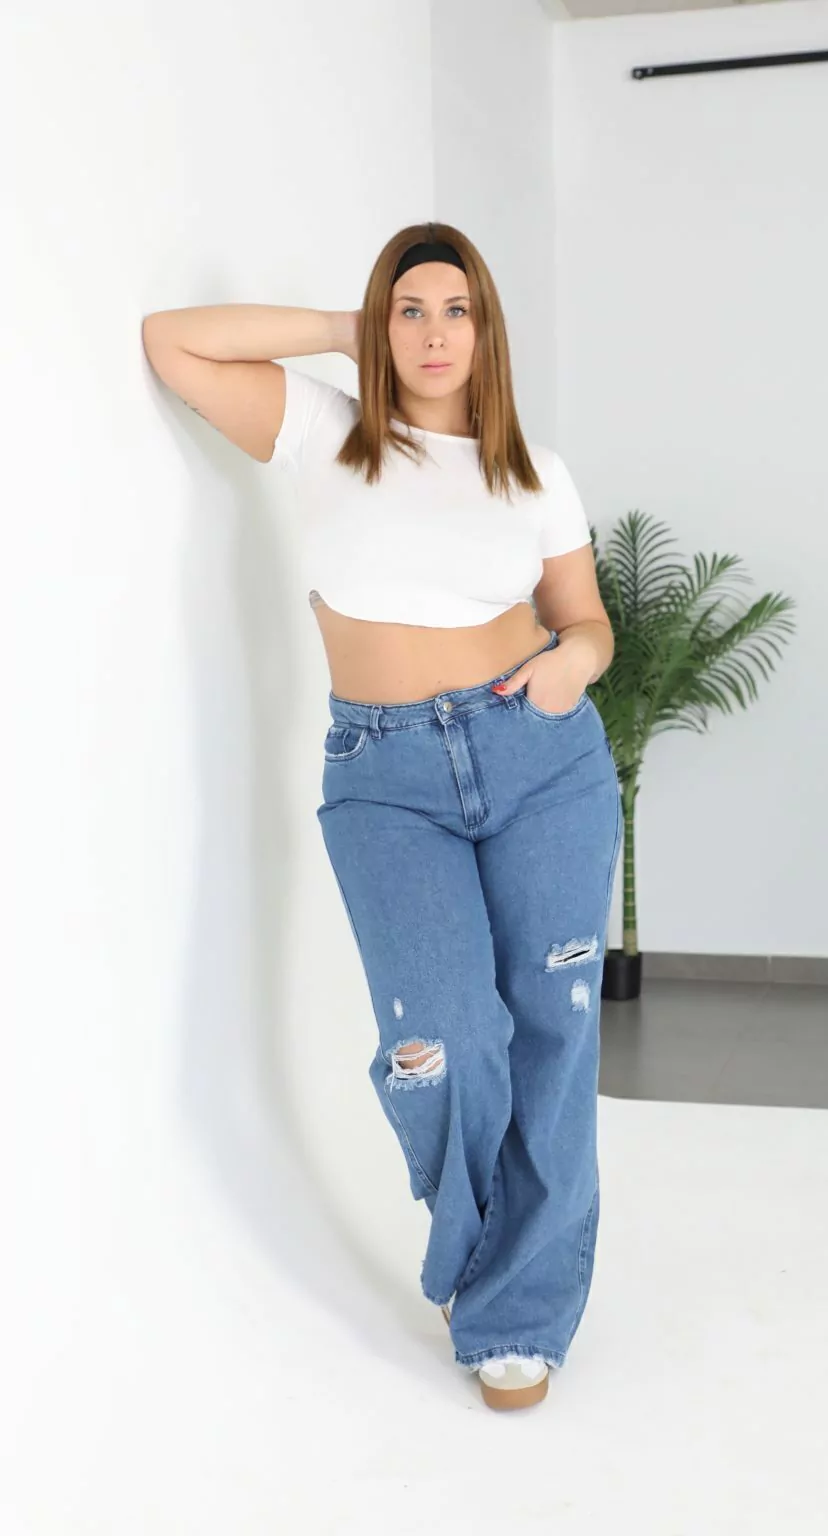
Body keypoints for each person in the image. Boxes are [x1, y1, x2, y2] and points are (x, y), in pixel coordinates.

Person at [142, 220, 623, 1412]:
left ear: (487, 331)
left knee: (553, 1034)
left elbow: (586, 622)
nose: (433, 333)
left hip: (540, 760)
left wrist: (572, 665)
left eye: (456, 310)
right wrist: (337, 331)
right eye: (410, 310)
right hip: (386, 777)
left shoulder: (534, 470)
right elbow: (173, 345)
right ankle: (482, 1247)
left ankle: (516, 1312)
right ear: (382, 324)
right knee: (444, 1038)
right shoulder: (327, 432)